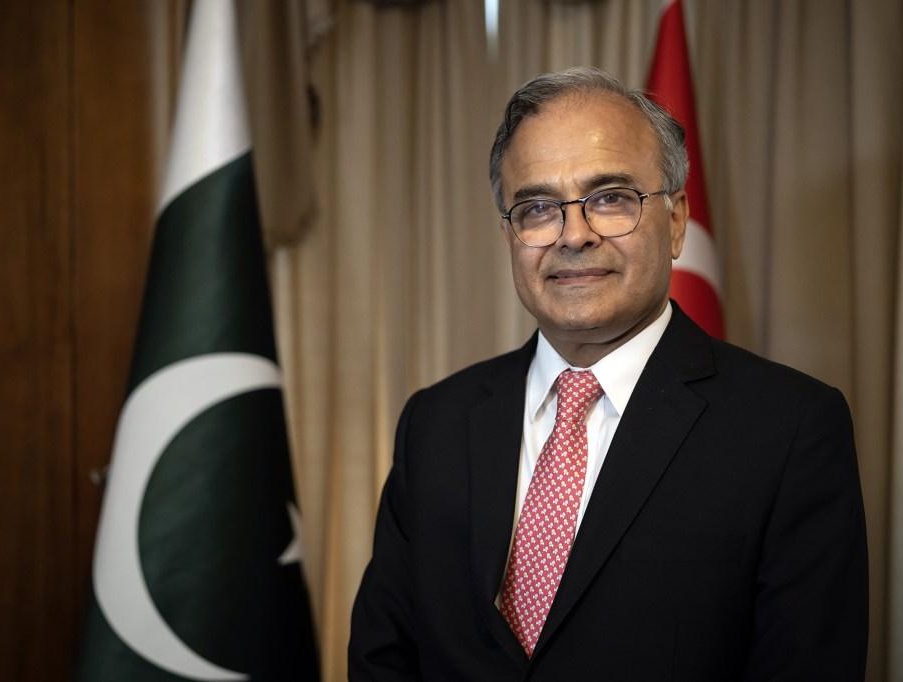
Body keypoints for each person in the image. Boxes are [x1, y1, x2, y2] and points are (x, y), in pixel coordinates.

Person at [349, 66, 868, 680]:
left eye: (610, 199)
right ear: (510, 234)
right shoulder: (433, 421)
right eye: (537, 207)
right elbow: (384, 658)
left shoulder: (790, 428)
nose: (574, 235)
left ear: (675, 221)